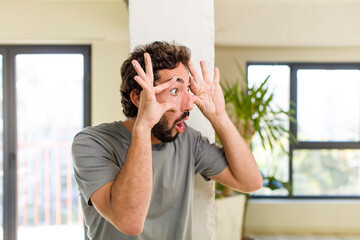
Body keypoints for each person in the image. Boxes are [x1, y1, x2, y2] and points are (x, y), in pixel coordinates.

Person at [72, 41, 263, 240]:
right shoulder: (91, 143)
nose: (190, 103)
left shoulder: (188, 141)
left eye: (187, 89)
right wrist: (143, 127)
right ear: (138, 99)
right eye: (174, 91)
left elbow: (251, 182)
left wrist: (219, 116)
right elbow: (130, 222)